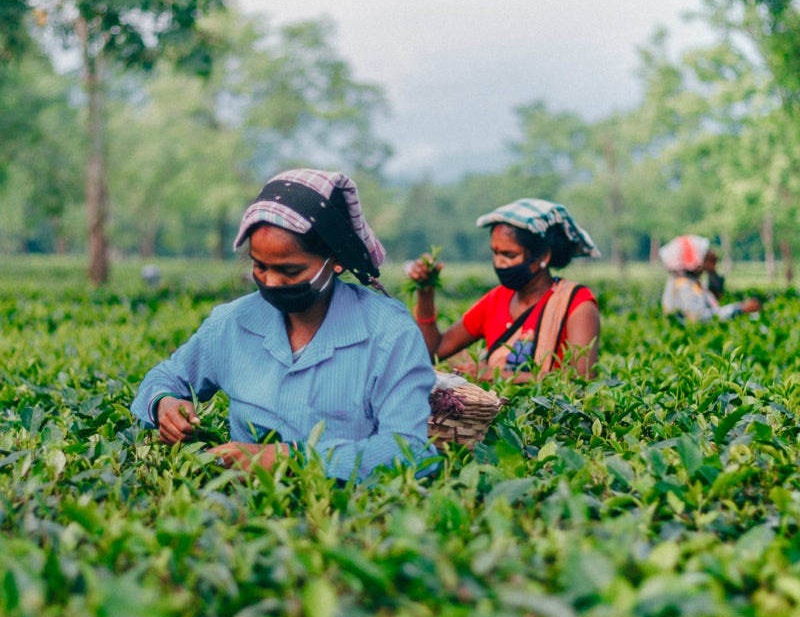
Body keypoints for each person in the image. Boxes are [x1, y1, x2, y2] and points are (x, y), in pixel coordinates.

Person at [131, 169, 435, 480]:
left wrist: (284, 458)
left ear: (336, 259)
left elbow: (411, 450)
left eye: (289, 270)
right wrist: (164, 405)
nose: (272, 282)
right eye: (260, 266)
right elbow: (165, 378)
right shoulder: (232, 323)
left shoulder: (389, 334)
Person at [407, 198, 601, 380]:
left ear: (543, 256)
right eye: (495, 252)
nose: (499, 263)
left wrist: (495, 374)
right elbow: (434, 351)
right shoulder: (497, 299)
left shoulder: (576, 303)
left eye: (509, 254)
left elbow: (581, 380)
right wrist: (426, 292)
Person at [659, 235, 761, 323]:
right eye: (704, 257)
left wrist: (712, 270)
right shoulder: (683, 285)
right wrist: (739, 309)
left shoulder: (691, 281)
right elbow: (698, 318)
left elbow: (717, 295)